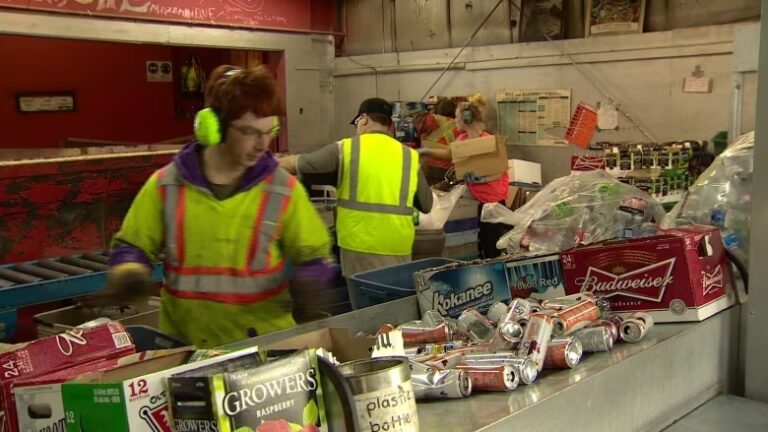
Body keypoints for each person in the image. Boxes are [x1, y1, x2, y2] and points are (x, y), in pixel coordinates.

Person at [98, 65, 334, 348]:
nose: (263, 145)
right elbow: (133, 245)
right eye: (249, 132)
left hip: (266, 348)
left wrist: (311, 280)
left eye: (268, 131)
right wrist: (129, 271)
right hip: (186, 349)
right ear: (215, 127)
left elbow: (314, 254)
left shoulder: (282, 190)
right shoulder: (167, 186)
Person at [279, 98, 433, 302]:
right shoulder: (409, 156)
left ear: (364, 119)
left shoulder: (346, 148)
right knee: (394, 312)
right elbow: (427, 204)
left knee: (365, 315)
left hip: (360, 246)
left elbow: (299, 164)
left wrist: (268, 162)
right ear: (388, 125)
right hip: (399, 247)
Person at [419, 93, 510, 259]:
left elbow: (498, 171)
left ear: (467, 119)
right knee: (478, 242)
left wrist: (481, 179)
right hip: (476, 198)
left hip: (492, 201)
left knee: (492, 244)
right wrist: (426, 151)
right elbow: (449, 153)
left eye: (456, 117)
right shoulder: (462, 139)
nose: (454, 121)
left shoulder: (489, 141)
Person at [414, 98, 462, 185]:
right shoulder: (458, 124)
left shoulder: (428, 120)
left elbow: (415, 120)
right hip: (448, 169)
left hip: (426, 166)